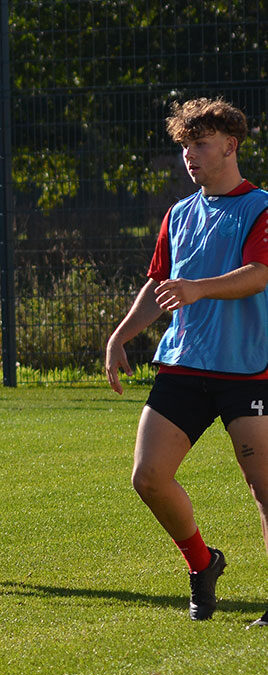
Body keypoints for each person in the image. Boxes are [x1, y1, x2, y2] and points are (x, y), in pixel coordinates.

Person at [105, 97, 268, 627]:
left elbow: (259, 274)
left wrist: (198, 288)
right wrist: (121, 336)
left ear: (230, 146)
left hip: (248, 369)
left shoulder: (260, 207)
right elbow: (159, 285)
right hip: (183, 363)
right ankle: (202, 563)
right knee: (148, 478)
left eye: (200, 144)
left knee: (263, 487)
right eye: (184, 147)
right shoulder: (178, 213)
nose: (190, 156)